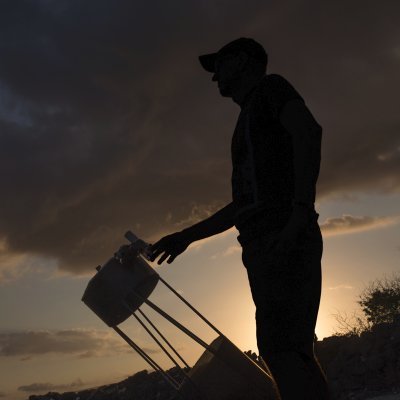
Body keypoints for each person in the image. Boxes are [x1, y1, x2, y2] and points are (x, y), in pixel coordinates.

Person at [149, 37, 329, 400]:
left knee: (282, 350)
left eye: (220, 66)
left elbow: (309, 132)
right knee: (290, 350)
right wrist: (186, 236)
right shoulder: (249, 116)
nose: (214, 78)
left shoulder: (270, 89)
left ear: (244, 61)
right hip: (268, 243)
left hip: (282, 237)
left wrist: (299, 214)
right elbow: (244, 204)